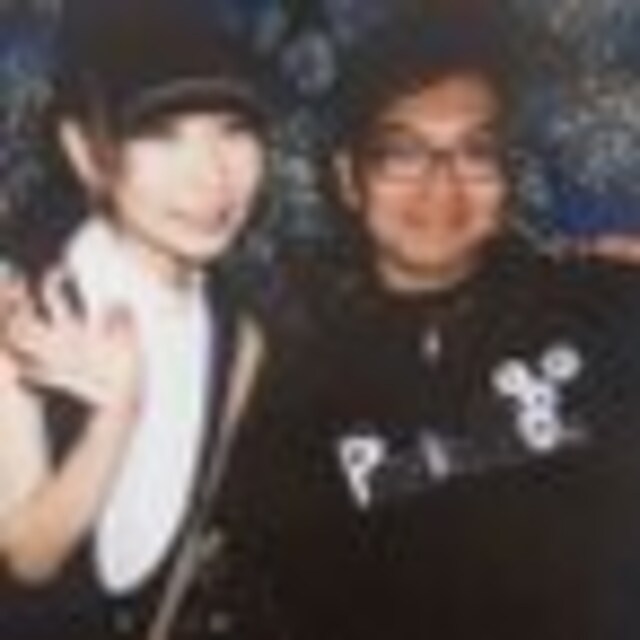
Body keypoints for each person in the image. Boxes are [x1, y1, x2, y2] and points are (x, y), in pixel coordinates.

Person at [216, 10, 640, 640]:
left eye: (475, 153)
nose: (441, 183)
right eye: (403, 154)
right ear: (348, 179)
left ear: (508, 178)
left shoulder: (601, 305)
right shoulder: (294, 384)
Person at [0, 0, 272, 637]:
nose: (211, 175)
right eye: (161, 133)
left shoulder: (240, 337)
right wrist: (116, 415)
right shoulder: (21, 299)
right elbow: (29, 558)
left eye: (234, 129)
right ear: (84, 151)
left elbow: (186, 545)